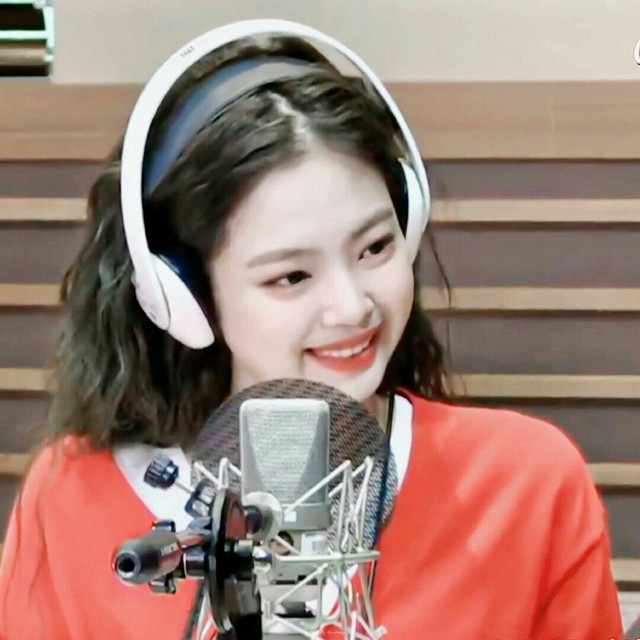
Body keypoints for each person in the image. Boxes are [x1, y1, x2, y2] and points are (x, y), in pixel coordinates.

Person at [0, 20, 624, 640]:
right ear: (184, 296)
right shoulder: (72, 495)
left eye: (375, 248)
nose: (351, 307)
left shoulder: (527, 483)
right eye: (292, 276)